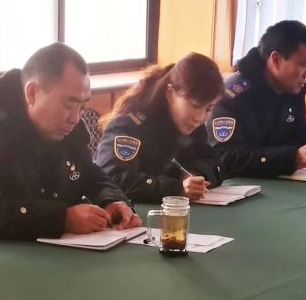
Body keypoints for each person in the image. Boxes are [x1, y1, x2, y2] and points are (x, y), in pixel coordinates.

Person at [0, 43, 138, 239]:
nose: (75, 118)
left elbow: (88, 172)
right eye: (69, 104)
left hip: (36, 249)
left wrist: (111, 200)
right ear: (32, 93)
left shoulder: (65, 127)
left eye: (82, 106)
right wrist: (61, 219)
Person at [92, 52, 223, 204]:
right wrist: (176, 189)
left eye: (209, 108)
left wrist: (194, 174)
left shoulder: (193, 124)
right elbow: (115, 178)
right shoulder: (130, 125)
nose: (200, 117)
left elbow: (215, 163)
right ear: (170, 94)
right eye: (195, 105)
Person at [208, 20, 306, 177]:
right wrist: (290, 158)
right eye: (302, 64)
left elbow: (301, 137)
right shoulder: (231, 96)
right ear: (276, 60)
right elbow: (225, 158)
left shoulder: (294, 89)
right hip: (238, 185)